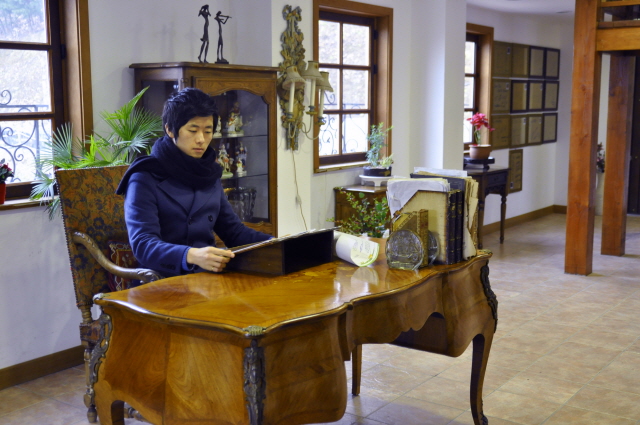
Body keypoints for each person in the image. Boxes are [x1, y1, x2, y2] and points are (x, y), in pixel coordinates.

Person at [116, 87, 271, 277]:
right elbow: (143, 245)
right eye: (193, 130)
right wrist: (191, 255)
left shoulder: (208, 172)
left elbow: (234, 232)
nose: (201, 140)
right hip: (161, 280)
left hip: (207, 276)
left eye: (208, 131)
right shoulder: (144, 176)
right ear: (170, 130)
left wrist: (278, 244)